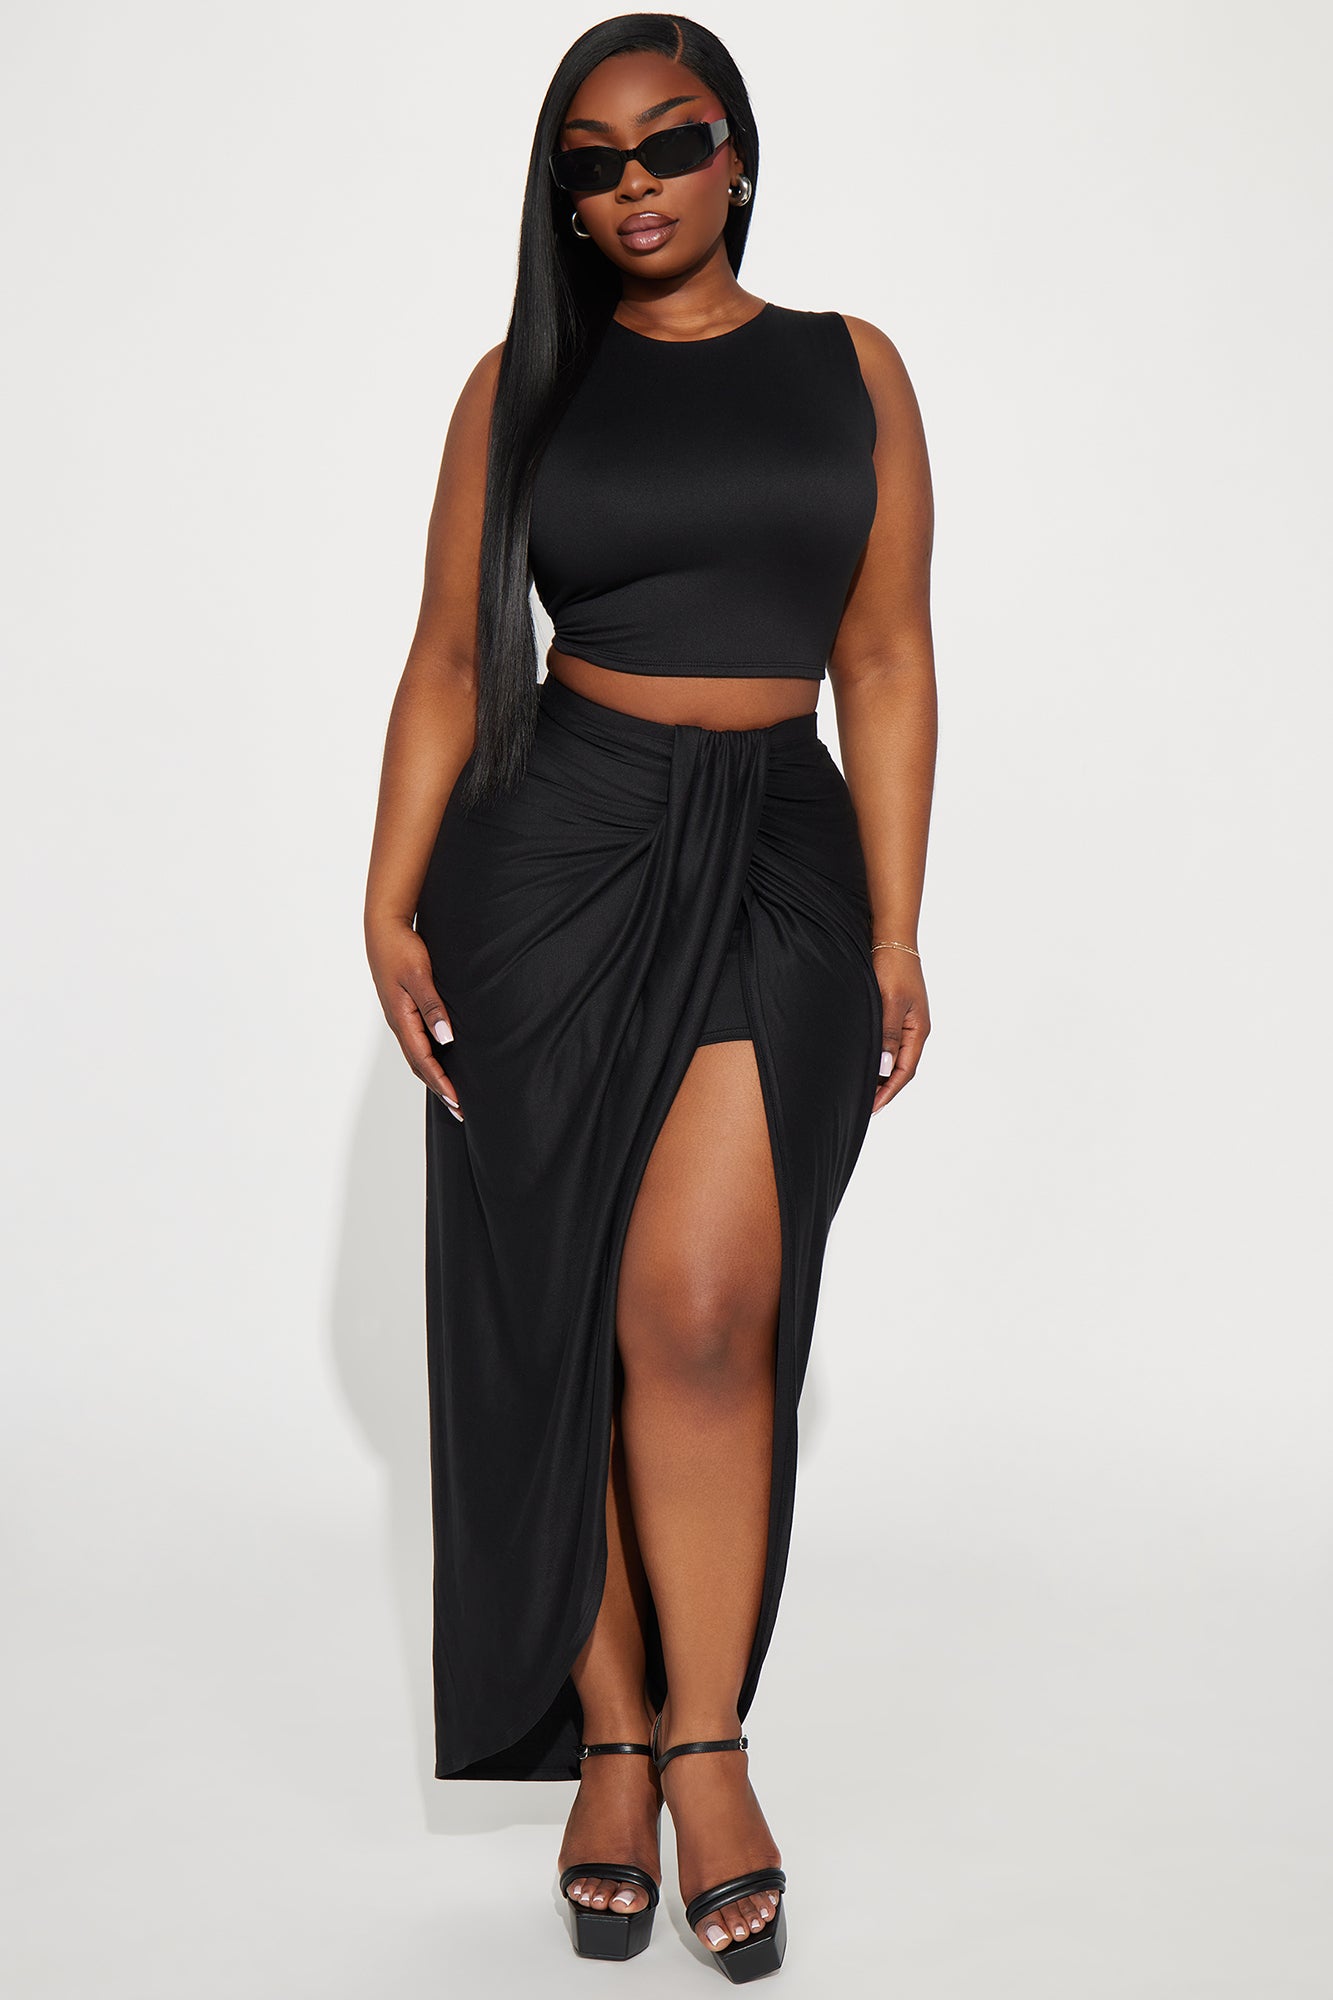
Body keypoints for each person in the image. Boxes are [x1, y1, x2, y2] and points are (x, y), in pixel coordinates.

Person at [364, 14, 936, 1980]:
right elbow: (454, 657)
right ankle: (620, 1745)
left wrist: (892, 928)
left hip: (775, 848)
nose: (634, 187)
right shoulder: (520, 386)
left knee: (699, 1312)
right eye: (591, 164)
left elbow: (886, 654)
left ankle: (711, 1737)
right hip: (554, 855)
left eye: (669, 144)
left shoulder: (850, 367)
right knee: (566, 1322)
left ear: (737, 154)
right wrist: (386, 900)